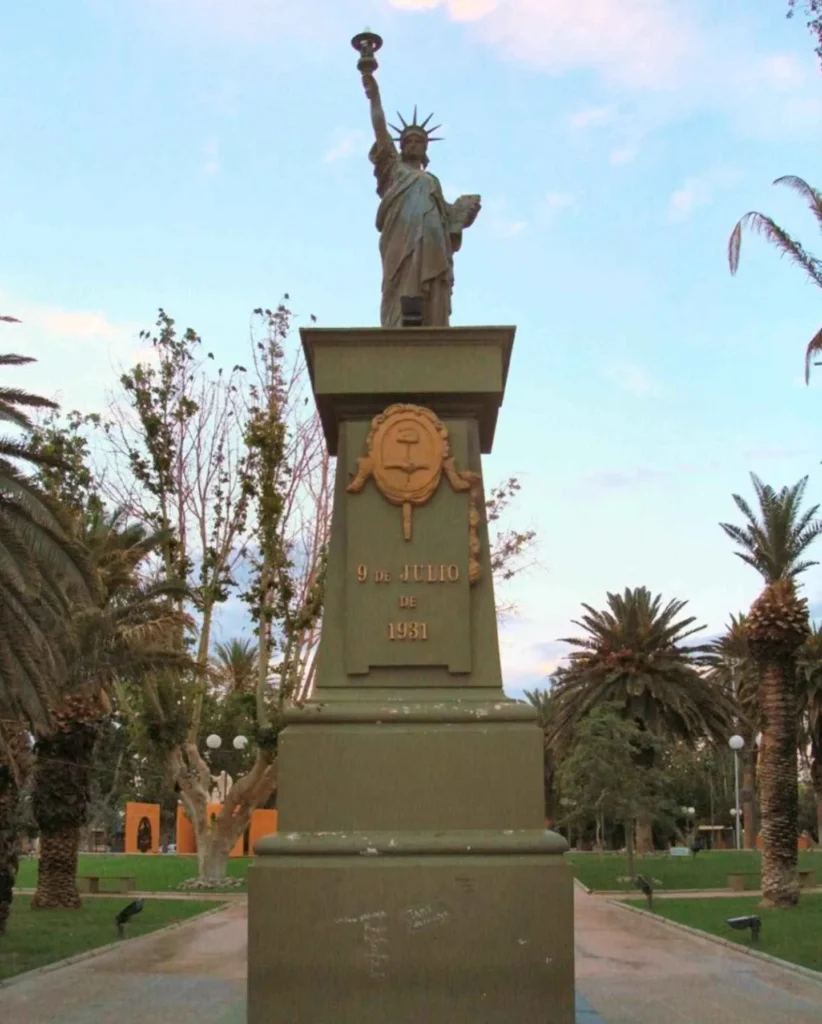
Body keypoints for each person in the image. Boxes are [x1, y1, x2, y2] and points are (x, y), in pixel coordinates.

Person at [362, 72, 481, 328]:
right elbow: (381, 129)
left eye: (419, 141)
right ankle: (400, 321)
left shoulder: (431, 181)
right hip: (400, 234)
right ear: (401, 146)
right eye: (408, 141)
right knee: (399, 282)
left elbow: (448, 218)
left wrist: (463, 213)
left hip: (432, 239)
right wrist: (374, 95)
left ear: (426, 147)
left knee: (431, 283)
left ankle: (428, 320)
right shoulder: (394, 170)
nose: (414, 145)